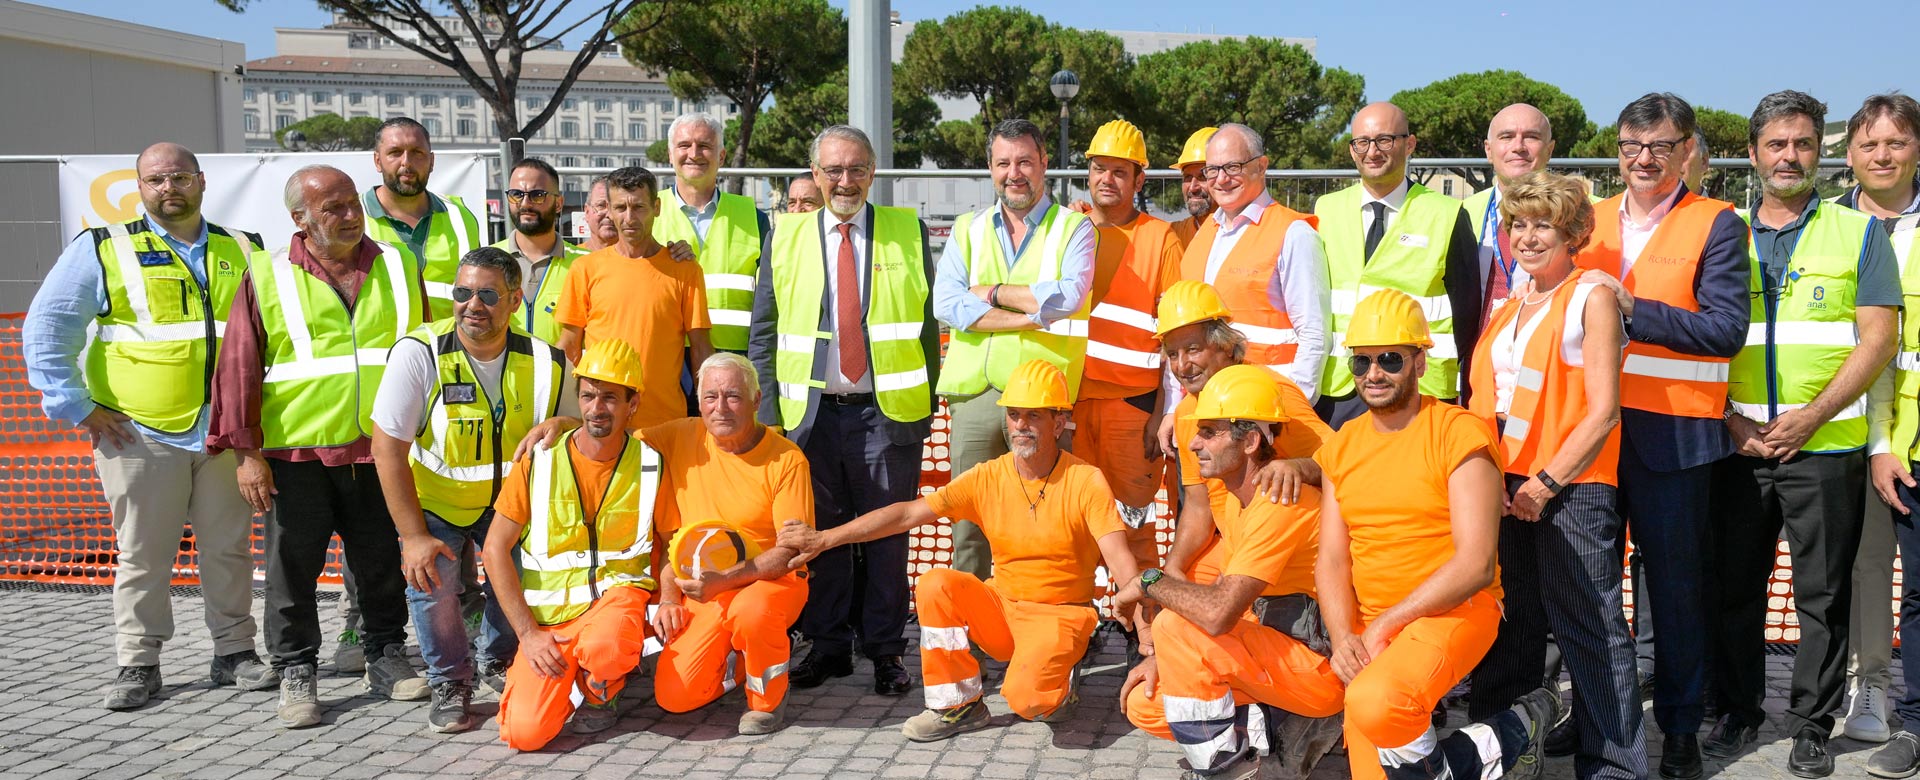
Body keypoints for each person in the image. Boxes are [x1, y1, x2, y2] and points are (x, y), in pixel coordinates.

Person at [23, 141, 275, 710]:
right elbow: (48, 328)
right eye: (156, 180)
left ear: (202, 182)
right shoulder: (102, 247)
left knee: (229, 550)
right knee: (143, 553)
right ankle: (138, 662)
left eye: (180, 177)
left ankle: (234, 652)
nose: (169, 189)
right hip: (138, 434)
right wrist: (76, 406)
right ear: (139, 188)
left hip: (225, 435)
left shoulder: (246, 248)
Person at [778, 360, 1144, 742]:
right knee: (936, 583)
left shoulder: (1085, 480)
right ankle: (958, 706)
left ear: (1058, 422)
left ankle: (1059, 677)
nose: (1020, 425)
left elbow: (1118, 556)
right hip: (1003, 609)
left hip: (1060, 615)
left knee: (1030, 701)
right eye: (1014, 414)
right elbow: (905, 514)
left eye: (1034, 415)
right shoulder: (989, 476)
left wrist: (1145, 630)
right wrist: (825, 539)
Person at [1708, 90, 1899, 779]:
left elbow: (1878, 338)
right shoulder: (1720, 229)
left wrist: (1813, 416)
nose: (1790, 156)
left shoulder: (1859, 233)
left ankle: (1812, 724)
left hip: (1824, 449)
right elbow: (1699, 346)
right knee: (1733, 588)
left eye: (1804, 144)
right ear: (1755, 153)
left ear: (1822, 152)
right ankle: (1737, 710)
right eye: (1777, 144)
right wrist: (1732, 420)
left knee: (1821, 597)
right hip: (1737, 448)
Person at [209, 164, 431, 728]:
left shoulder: (399, 264)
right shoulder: (267, 273)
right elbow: (238, 365)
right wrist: (246, 453)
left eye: (353, 203)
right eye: (333, 208)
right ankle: (296, 669)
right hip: (296, 456)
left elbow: (427, 349)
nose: (351, 215)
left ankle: (384, 654)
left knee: (381, 562)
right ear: (300, 220)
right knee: (292, 569)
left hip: (381, 451)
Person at [1571, 92, 1748, 778]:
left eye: (1660, 147)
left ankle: (1679, 732)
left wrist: (1634, 310)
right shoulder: (1586, 220)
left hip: (1674, 436)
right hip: (1590, 430)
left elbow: (1725, 330)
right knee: (1590, 595)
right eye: (1630, 146)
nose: (1643, 160)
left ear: (1688, 151)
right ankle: (1602, 728)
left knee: (1675, 596)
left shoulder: (1716, 223)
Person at [1315, 289, 1559, 780]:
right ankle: (1511, 731)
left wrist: (1384, 626)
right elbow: (1332, 561)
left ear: (1421, 362)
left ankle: (1510, 731)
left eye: (1389, 359)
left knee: (1376, 701)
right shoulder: (1341, 446)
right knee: (1378, 751)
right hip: (1371, 627)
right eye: (1361, 363)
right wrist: (1344, 639)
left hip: (1456, 612)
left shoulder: (1458, 433)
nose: (1374, 374)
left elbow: (1474, 564)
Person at [748, 125, 939, 697]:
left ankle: (884, 650)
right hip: (810, 418)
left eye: (856, 168)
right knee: (819, 536)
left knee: (887, 536)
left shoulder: (908, 231)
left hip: (885, 417)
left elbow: (925, 329)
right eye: (832, 169)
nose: (845, 180)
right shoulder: (785, 235)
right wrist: (771, 416)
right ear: (815, 174)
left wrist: (918, 411)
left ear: (872, 172)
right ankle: (829, 647)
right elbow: (764, 332)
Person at [1463, 172, 1642, 779]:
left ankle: (1614, 767)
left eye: (1544, 225)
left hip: (1571, 489)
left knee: (1591, 631)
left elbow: (1603, 412)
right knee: (1507, 628)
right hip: (1504, 486)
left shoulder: (1589, 297)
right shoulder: (1513, 303)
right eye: (1519, 224)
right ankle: (1501, 749)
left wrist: (1545, 484)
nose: (1529, 236)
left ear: (1573, 235)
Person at [368, 246, 576, 732]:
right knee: (433, 585)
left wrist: (564, 421)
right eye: (462, 293)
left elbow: (577, 427)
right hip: (437, 503)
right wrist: (413, 537)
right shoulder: (419, 353)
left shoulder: (547, 359)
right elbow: (387, 451)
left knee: (525, 579)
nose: (472, 305)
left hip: (510, 506)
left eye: (487, 294)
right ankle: (450, 680)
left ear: (515, 300)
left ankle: (498, 660)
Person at [1114, 364, 1344, 780]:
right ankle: (1271, 737)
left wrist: (1150, 582)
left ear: (1252, 440)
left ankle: (1226, 768)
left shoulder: (1278, 501)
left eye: (1211, 432)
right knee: (1146, 704)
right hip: (1280, 652)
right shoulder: (1239, 501)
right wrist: (1168, 661)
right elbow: (1229, 606)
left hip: (1321, 668)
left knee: (1173, 629)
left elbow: (1219, 614)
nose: (1195, 443)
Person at [931, 118, 1097, 580]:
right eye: (1003, 162)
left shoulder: (1075, 228)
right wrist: (1029, 312)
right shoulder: (967, 228)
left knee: (1050, 518)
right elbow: (947, 303)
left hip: (1044, 399)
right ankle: (973, 632)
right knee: (969, 522)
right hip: (976, 398)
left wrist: (993, 291)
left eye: (1025, 160)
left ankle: (1055, 626)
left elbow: (1068, 298)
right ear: (990, 167)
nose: (1014, 172)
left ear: (1045, 163)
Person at [483, 338, 658, 750]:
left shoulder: (652, 458)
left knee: (607, 647)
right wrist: (527, 634)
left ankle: (603, 686)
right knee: (524, 735)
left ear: (633, 404)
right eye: (588, 395)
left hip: (615, 606)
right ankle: (574, 675)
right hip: (551, 622)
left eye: (611, 398)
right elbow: (493, 550)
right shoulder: (538, 460)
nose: (597, 408)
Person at [650, 353, 814, 735]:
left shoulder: (787, 460)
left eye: (733, 397)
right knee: (676, 698)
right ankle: (742, 658)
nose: (720, 408)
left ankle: (767, 700)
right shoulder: (678, 436)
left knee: (752, 614)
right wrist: (562, 424)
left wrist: (723, 580)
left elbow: (791, 552)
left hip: (770, 582)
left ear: (757, 401)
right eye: (710, 397)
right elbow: (611, 438)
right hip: (705, 589)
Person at [1152, 280, 1335, 589]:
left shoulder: (1270, 391)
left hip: (1289, 552)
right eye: (1173, 354)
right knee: (1175, 602)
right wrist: (1173, 567)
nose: (1183, 365)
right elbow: (1199, 509)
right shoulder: (1185, 415)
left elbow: (1342, 461)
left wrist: (1297, 467)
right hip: (1234, 550)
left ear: (1224, 345)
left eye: (1193, 349)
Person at [1314, 103, 1482, 427]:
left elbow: (1467, 315)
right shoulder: (1325, 210)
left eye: (1385, 140)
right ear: (1352, 150)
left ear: (1410, 144)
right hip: (1341, 388)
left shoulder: (1446, 214)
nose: (1372, 151)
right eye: (1362, 142)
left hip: (1419, 388)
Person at [1843, 92, 1920, 751]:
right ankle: (1860, 683)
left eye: (1896, 142)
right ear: (1850, 155)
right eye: (1870, 144)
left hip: (1900, 433)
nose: (1883, 154)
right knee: (1861, 563)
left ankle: (1880, 689)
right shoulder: (1825, 225)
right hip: (1834, 426)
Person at [1075, 119, 1185, 571]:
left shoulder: (1160, 239)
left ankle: (1143, 632)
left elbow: (1176, 336)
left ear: (1139, 179)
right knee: (1075, 523)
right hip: (1072, 405)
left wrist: (1163, 411)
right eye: (1100, 168)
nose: (1107, 179)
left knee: (1134, 525)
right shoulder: (1069, 228)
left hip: (1133, 407)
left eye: (1120, 171)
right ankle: (1078, 624)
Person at [555, 166, 714, 429]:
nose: (629, 218)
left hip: (665, 424)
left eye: (639, 207)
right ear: (609, 209)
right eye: (620, 208)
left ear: (657, 207)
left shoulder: (684, 270)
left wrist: (708, 407)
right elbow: (569, 345)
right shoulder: (585, 269)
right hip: (602, 422)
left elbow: (700, 347)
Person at [1183, 123, 1330, 403]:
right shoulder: (1204, 235)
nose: (1221, 179)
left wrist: (1294, 405)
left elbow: (1313, 335)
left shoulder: (1293, 233)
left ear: (1261, 166)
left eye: (1233, 167)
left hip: (1267, 402)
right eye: (1212, 170)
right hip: (1209, 403)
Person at [653, 113, 770, 354]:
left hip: (733, 356)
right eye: (684, 145)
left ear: (722, 156)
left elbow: (768, 301)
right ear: (670, 154)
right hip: (663, 355)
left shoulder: (755, 218)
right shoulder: (648, 214)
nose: (694, 154)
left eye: (704, 146)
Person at [361, 116, 483, 320]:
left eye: (417, 153)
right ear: (377, 161)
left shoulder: (460, 216)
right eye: (395, 153)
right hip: (385, 349)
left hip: (447, 347)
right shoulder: (352, 218)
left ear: (432, 161)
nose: (406, 163)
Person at [1462, 104, 1558, 323]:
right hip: (1476, 352)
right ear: (1488, 150)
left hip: (1546, 347)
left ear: (1550, 150)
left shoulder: (1588, 213)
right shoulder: (1462, 212)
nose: (1518, 147)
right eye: (1507, 137)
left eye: (1531, 137)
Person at [491, 158, 585, 344]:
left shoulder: (585, 264)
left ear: (558, 204)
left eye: (538, 195)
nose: (525, 203)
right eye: (516, 194)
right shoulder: (488, 260)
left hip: (563, 373)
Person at [1172, 127, 1219, 244]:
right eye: (1187, 177)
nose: (1193, 187)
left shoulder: (1242, 234)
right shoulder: (1174, 235)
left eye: (1203, 177)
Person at [581, 175, 618, 252]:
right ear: (587, 212)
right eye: (601, 205)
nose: (609, 215)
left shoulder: (639, 259)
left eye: (617, 207)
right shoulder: (572, 259)